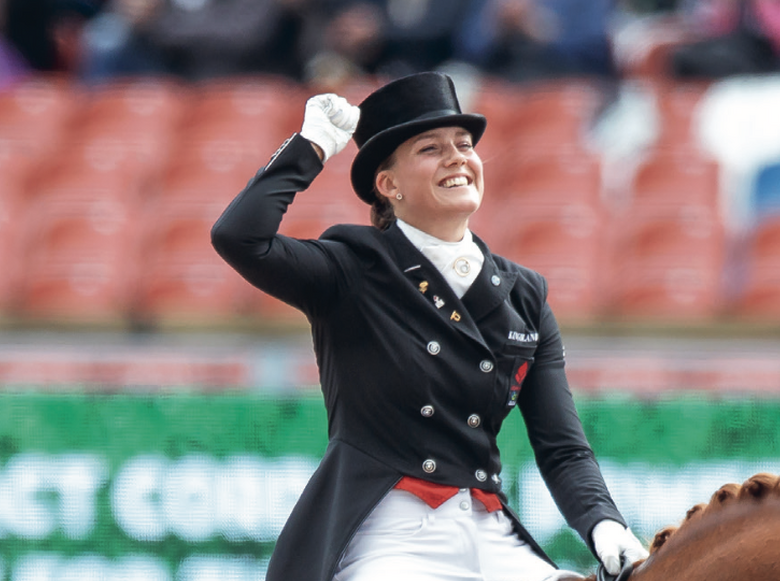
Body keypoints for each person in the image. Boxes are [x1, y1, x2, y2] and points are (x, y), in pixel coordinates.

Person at [211, 72, 649, 581]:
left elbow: (562, 446)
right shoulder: (351, 268)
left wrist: (605, 526)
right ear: (388, 184)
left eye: (464, 145)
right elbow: (239, 238)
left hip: (489, 532)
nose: (458, 157)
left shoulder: (525, 294)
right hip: (387, 537)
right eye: (431, 148)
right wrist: (310, 147)